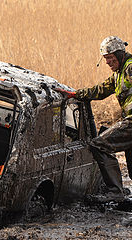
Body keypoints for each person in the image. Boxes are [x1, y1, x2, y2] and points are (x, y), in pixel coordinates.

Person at [56, 36, 132, 203]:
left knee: (99, 144)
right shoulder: (118, 75)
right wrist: (76, 94)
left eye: (110, 58)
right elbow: (101, 90)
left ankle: (115, 191)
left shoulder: (130, 68)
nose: (108, 63)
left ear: (119, 55)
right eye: (106, 59)